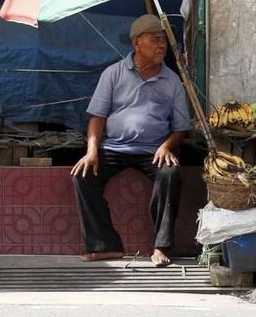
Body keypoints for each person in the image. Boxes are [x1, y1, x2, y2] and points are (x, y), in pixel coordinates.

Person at [71, 14, 191, 267]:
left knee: (170, 174)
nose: (161, 46)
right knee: (82, 176)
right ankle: (105, 245)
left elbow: (181, 128)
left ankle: (160, 246)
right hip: (113, 147)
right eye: (154, 40)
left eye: (164, 42)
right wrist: (92, 150)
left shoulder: (172, 82)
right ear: (137, 44)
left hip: (153, 150)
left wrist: (167, 145)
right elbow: (97, 118)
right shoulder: (113, 74)